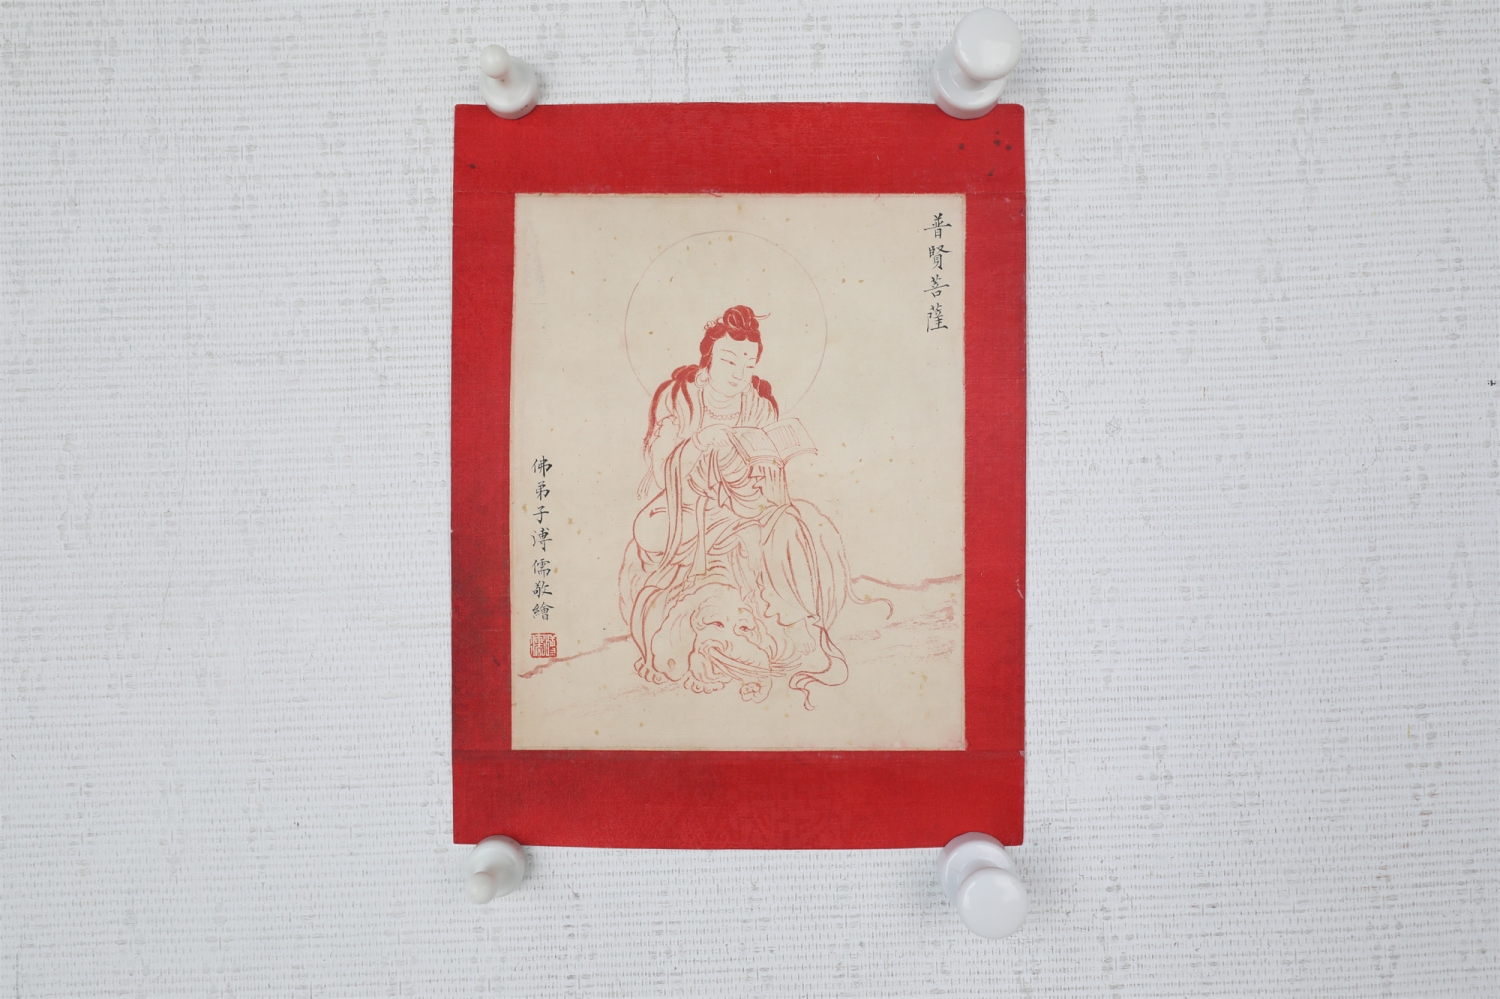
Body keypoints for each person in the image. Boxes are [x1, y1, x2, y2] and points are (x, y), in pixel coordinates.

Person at [619, 305, 849, 707]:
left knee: (787, 525)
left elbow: (760, 464)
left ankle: (797, 627)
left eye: (748, 363)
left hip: (742, 503)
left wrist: (769, 474)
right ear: (708, 358)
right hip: (685, 507)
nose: (739, 373)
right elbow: (660, 468)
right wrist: (698, 443)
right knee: (651, 532)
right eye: (729, 360)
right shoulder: (681, 398)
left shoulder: (759, 404)